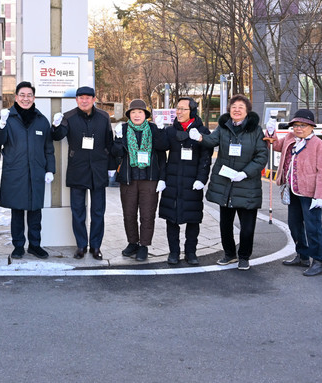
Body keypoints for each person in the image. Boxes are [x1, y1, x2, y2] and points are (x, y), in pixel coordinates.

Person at [192, 94, 268, 271]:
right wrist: (200, 137)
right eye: (234, 107)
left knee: (247, 227)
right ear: (229, 110)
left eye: (241, 107)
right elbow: (212, 140)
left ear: (247, 111)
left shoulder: (256, 130)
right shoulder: (223, 127)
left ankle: (244, 257)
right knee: (225, 224)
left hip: (247, 185)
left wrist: (245, 173)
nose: (237, 110)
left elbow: (261, 156)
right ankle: (229, 254)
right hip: (226, 184)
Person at [0, 81, 56, 259]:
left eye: (29, 95)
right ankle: (18, 245)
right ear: (16, 97)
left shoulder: (41, 120)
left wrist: (50, 169)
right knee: (17, 211)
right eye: (22, 95)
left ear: (34, 98)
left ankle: (35, 245)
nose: (25, 99)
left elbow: (48, 148)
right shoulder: (8, 118)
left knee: (35, 211)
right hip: (16, 172)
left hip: (36, 172)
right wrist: (1, 124)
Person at [51, 86, 115, 260]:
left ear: (94, 99)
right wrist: (55, 125)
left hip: (98, 169)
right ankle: (81, 245)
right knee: (78, 211)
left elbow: (109, 143)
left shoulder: (104, 117)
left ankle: (96, 246)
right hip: (77, 169)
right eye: (81, 97)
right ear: (76, 100)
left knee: (98, 212)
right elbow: (58, 136)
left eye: (88, 98)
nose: (84, 101)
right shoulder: (69, 117)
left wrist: (111, 166)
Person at [265, 109, 322, 276]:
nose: (298, 128)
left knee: (313, 228)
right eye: (295, 125)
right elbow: (275, 145)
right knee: (294, 225)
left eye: (303, 125)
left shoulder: (318, 145)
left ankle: (318, 261)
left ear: (311, 127)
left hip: (310, 193)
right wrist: (271, 131)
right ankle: (302, 255)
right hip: (292, 190)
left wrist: (320, 196)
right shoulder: (290, 138)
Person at [157, 97, 211, 266]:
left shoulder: (202, 131)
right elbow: (161, 149)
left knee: (193, 218)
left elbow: (205, 158)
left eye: (183, 109)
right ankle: (174, 252)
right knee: (172, 219)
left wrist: (201, 179)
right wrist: (160, 131)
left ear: (192, 111)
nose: (179, 112)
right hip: (172, 181)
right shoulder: (171, 131)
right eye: (177, 109)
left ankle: (191, 252)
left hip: (192, 183)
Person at [111, 99, 167, 262]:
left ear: (145, 115)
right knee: (129, 214)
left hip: (150, 179)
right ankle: (132, 243)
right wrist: (118, 138)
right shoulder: (123, 129)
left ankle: (144, 245)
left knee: (147, 215)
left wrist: (162, 178)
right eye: (133, 112)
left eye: (140, 112)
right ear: (129, 115)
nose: (136, 115)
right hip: (128, 179)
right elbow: (116, 153)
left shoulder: (153, 129)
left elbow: (163, 149)